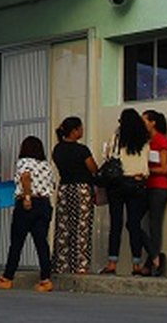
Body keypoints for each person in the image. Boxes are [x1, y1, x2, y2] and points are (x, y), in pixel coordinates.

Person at [0, 135, 57, 292]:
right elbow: (52, 185)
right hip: (44, 204)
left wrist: (27, 197)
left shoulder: (24, 162)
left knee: (17, 243)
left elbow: (25, 177)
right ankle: (46, 279)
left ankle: (7, 278)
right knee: (41, 243)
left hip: (27, 204)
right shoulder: (46, 165)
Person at [99, 108, 150, 276]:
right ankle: (137, 265)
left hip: (117, 184)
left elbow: (107, 156)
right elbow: (145, 166)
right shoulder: (144, 139)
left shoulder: (117, 137)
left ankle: (112, 263)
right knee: (134, 225)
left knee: (116, 224)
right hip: (137, 183)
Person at [51, 116, 97, 275]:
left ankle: (61, 264)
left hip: (64, 188)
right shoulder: (81, 150)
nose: (82, 131)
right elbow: (93, 168)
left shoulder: (57, 149)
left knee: (63, 226)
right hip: (81, 189)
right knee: (81, 227)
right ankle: (81, 265)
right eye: (80, 128)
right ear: (75, 130)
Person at [141, 109, 167, 277]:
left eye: (144, 120)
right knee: (135, 222)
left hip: (158, 187)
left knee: (154, 225)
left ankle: (152, 260)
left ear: (153, 122)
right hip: (147, 186)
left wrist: (147, 169)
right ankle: (154, 256)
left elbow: (164, 168)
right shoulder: (146, 141)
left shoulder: (160, 141)